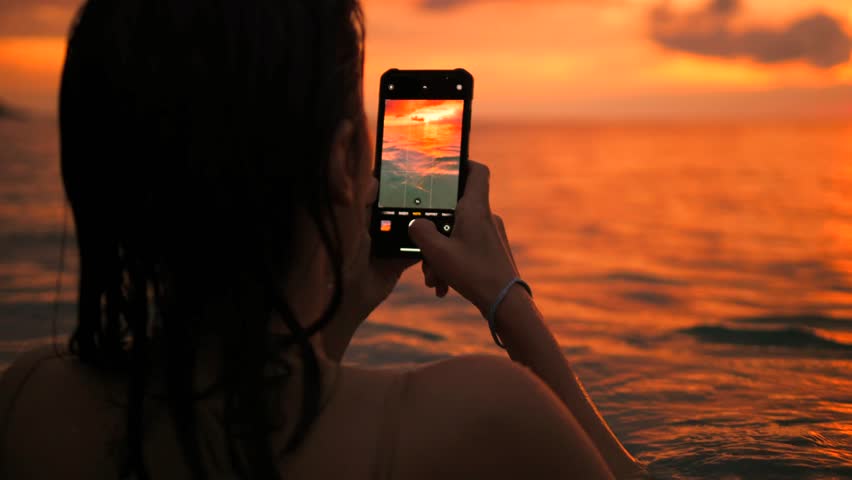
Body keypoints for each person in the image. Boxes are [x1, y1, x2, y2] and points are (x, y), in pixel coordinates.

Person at [0, 0, 648, 478]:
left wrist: (340, 309)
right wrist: (507, 298)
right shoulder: (486, 419)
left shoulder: (27, 399)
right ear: (342, 162)